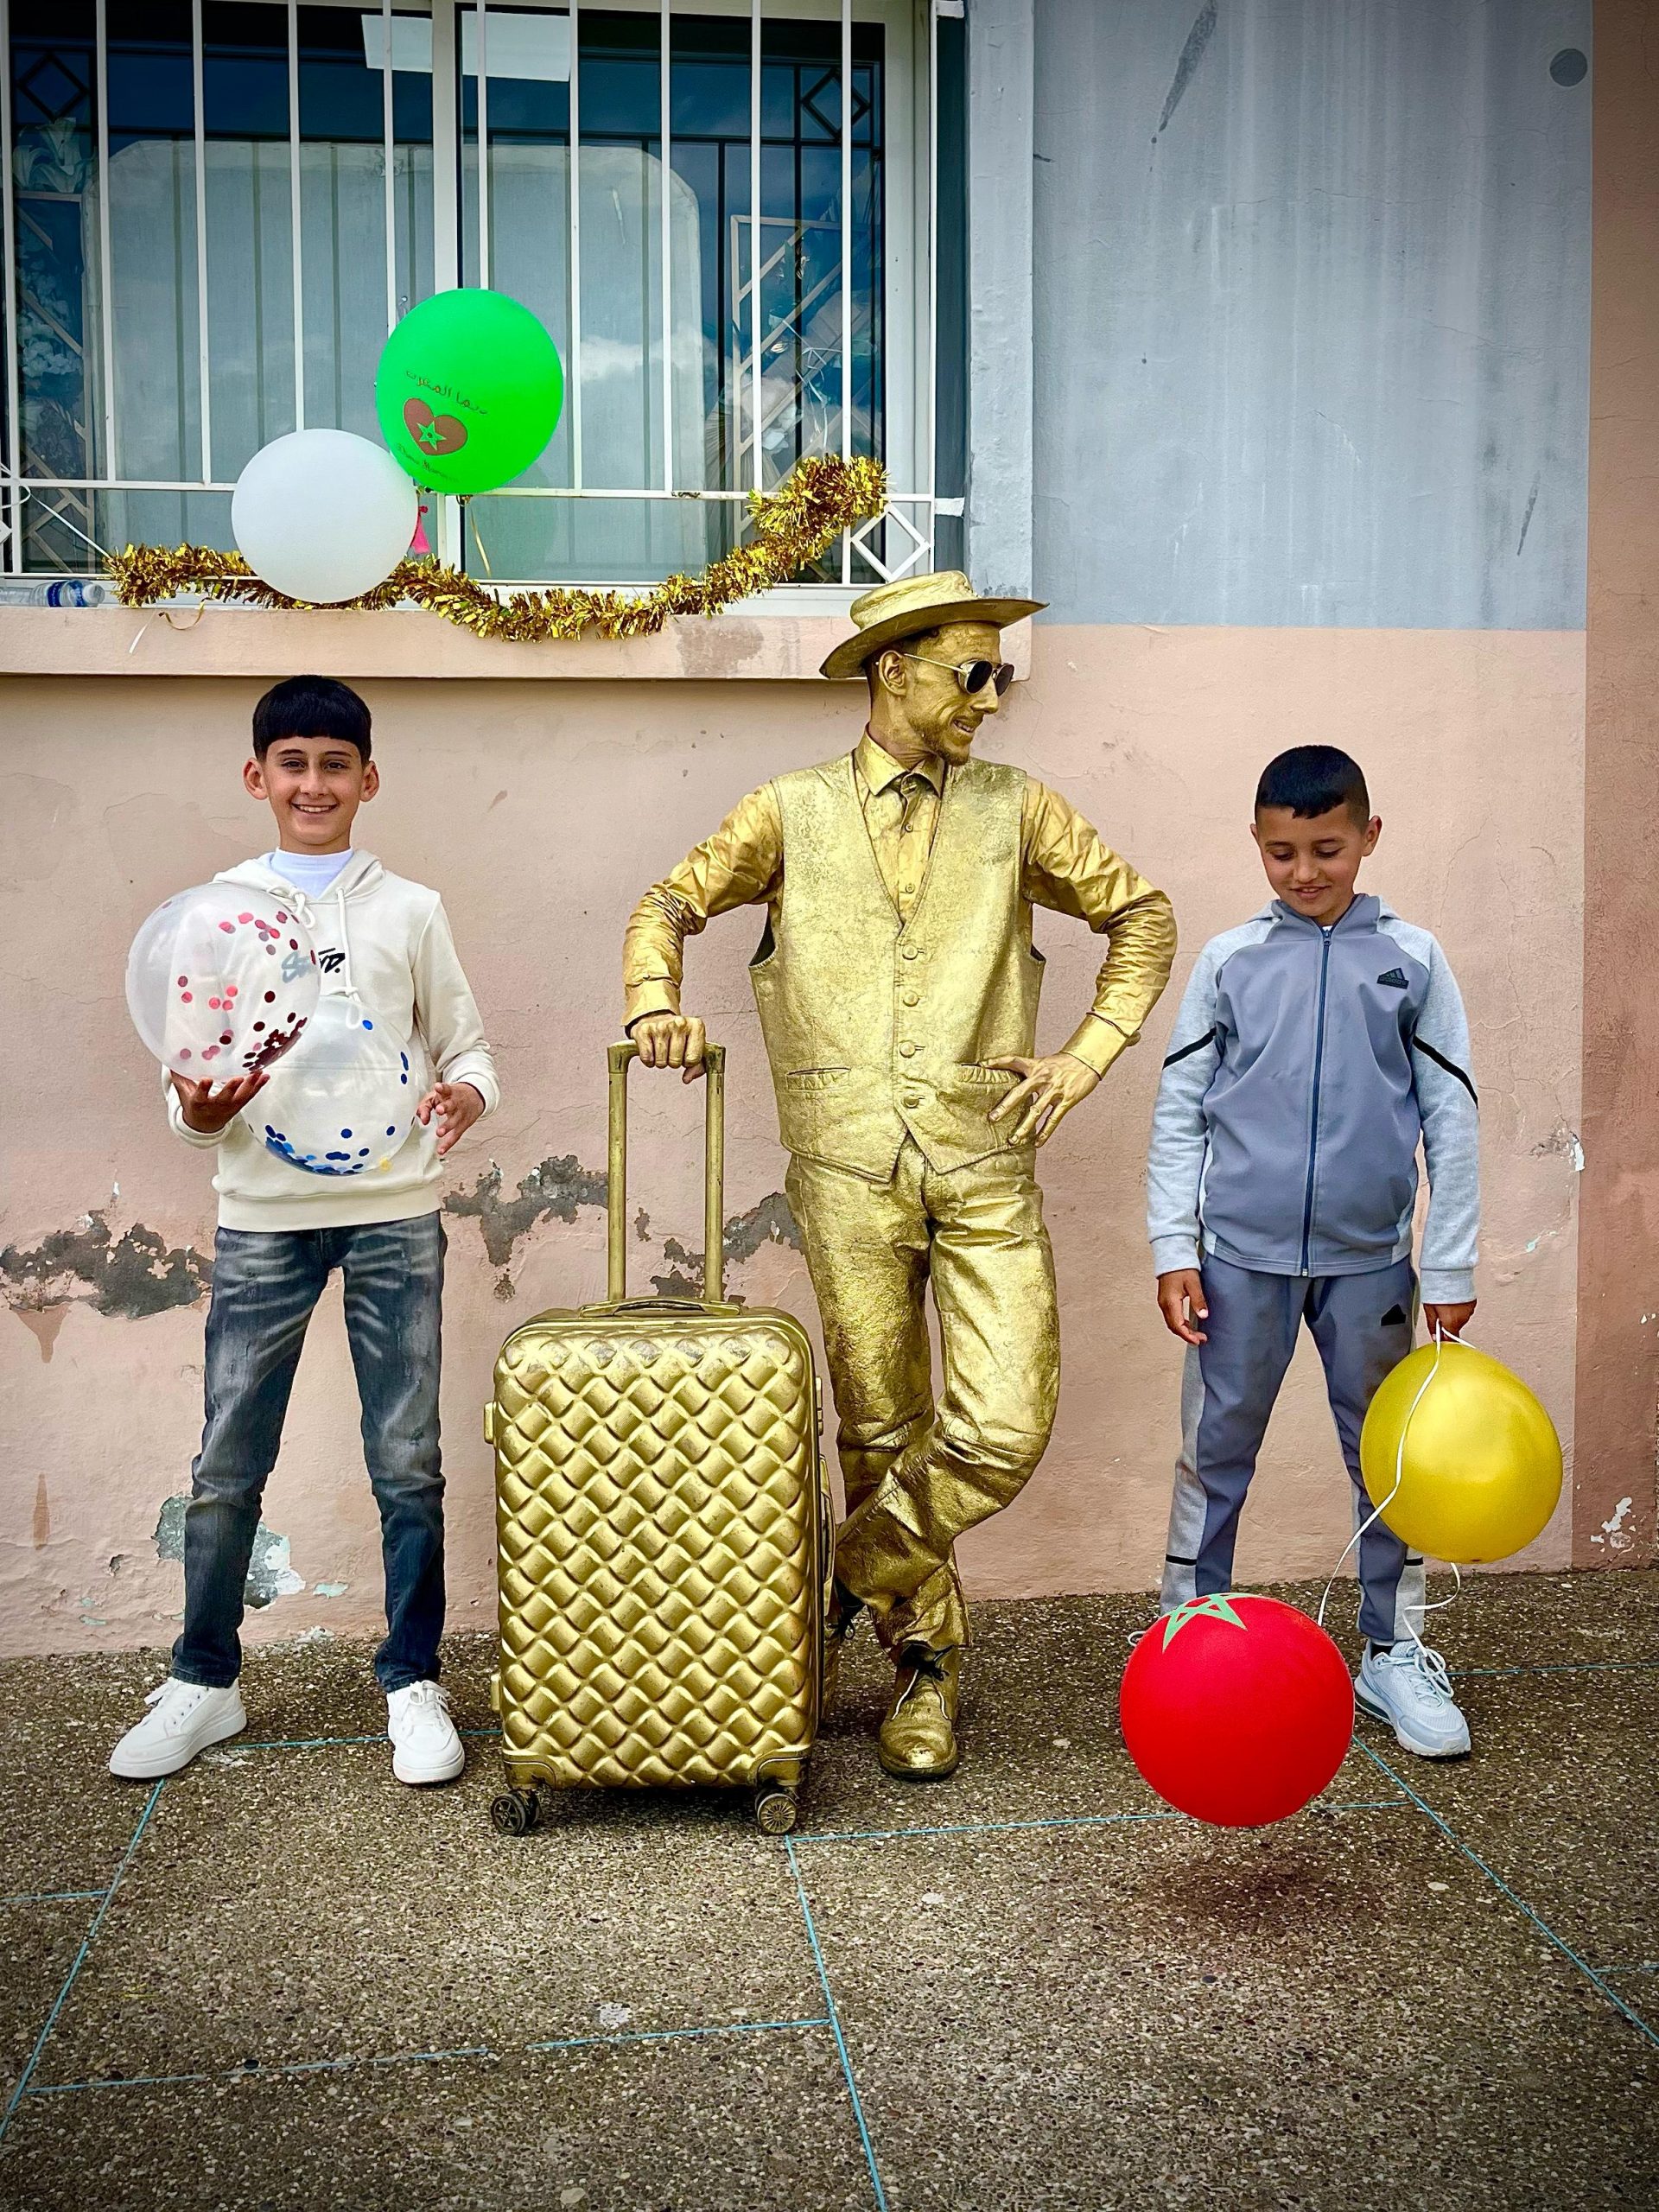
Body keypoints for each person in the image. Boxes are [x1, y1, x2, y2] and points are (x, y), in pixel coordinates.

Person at [623, 572, 1176, 1781]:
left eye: (1001, 675)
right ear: (895, 672)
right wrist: (653, 999)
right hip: (846, 1166)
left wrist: (1086, 1055)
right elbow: (667, 902)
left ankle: (844, 1570)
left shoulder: (1019, 808)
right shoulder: (789, 809)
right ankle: (925, 1667)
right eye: (973, 672)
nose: (992, 696)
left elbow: (1141, 915)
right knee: (878, 1427)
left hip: (984, 1156)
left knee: (1004, 1425)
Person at [109, 677, 498, 1787]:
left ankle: (412, 1679)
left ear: (368, 779)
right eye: (293, 763)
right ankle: (203, 1679)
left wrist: (466, 1096)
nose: (314, 783)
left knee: (406, 1460)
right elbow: (186, 1091)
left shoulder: (411, 909)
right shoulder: (215, 914)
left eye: (336, 764)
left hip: (394, 1215)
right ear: (257, 777)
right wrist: (203, 1113)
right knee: (228, 1458)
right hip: (263, 1222)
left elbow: (468, 1049)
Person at [1147, 744, 1479, 1758]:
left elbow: (1451, 1114)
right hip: (1236, 1261)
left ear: (1368, 837)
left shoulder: (1412, 959)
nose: (1304, 872)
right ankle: (1183, 1641)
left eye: (1327, 849)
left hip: (1371, 1264)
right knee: (1214, 1454)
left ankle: (1393, 1650)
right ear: (1257, 843)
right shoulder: (1229, 961)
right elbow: (1180, 1110)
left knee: (1389, 1460)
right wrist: (1174, 1245)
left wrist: (1450, 1263)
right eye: (1281, 852)